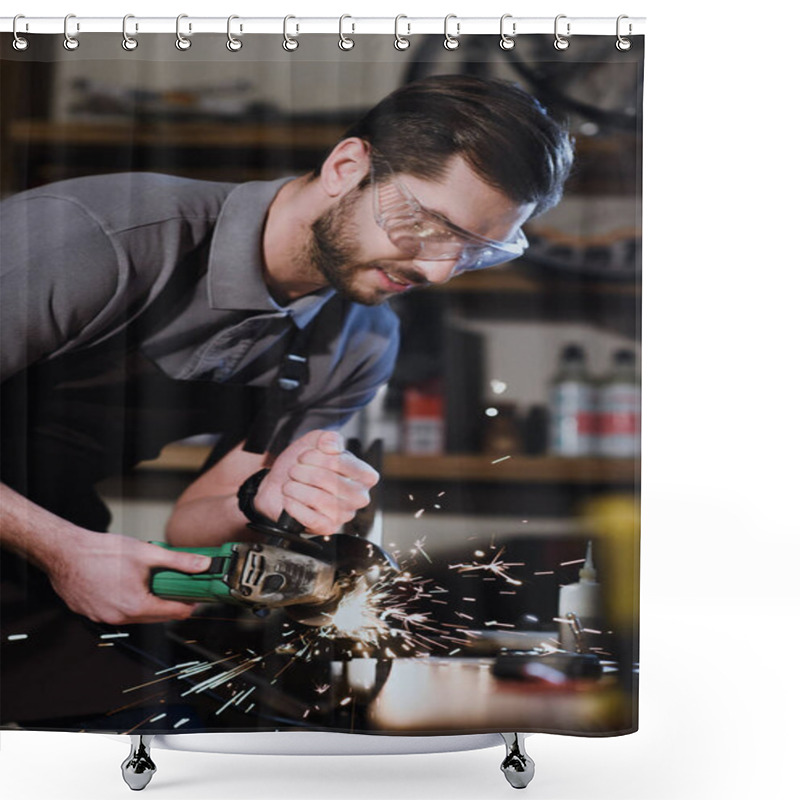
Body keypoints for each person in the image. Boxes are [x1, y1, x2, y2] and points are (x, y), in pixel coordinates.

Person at [0, 74, 573, 726]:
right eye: (428, 223)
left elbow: (192, 524)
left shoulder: (358, 338)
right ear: (346, 166)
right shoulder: (94, 241)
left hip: (44, 560)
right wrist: (61, 550)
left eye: (475, 250)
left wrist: (264, 497)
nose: (437, 270)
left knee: (205, 729)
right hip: (53, 549)